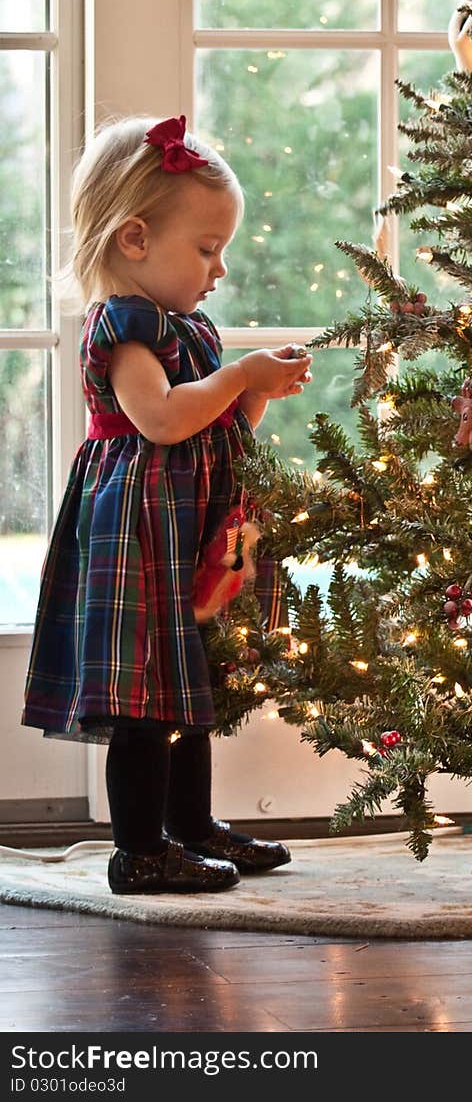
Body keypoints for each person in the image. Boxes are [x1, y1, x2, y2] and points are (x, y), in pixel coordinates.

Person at [22, 115, 313, 895]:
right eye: (207, 248)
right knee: (146, 691)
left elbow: (215, 422)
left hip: (189, 520)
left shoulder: (190, 326)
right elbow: (160, 419)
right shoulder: (123, 326)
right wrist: (237, 377)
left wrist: (256, 394)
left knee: (191, 684)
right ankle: (138, 847)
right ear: (135, 239)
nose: (218, 267)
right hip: (140, 527)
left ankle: (192, 826)